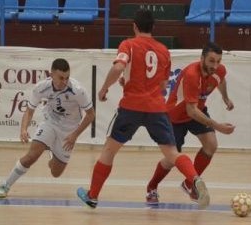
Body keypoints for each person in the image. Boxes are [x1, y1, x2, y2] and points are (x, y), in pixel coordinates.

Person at [76, 9, 210, 210]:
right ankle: (194, 179)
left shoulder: (128, 44)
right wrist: (133, 83)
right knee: (172, 153)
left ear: (134, 26)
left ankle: (93, 195)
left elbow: (119, 67)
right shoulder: (164, 51)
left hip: (131, 107)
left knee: (109, 151)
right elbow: (163, 85)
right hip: (156, 108)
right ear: (153, 28)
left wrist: (105, 88)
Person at [146, 42, 235, 204]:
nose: (215, 66)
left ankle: (189, 184)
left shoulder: (218, 70)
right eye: (211, 61)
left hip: (197, 110)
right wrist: (219, 127)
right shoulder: (192, 74)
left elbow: (220, 80)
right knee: (172, 159)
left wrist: (226, 98)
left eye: (218, 61)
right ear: (202, 58)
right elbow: (191, 111)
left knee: (211, 144)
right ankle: (152, 187)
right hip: (175, 116)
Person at [0, 58, 95, 198]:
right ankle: (5, 185)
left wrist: (75, 135)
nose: (64, 81)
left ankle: (53, 152)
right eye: (61, 77)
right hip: (50, 123)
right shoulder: (41, 87)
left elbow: (91, 115)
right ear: (51, 74)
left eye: (67, 77)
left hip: (69, 131)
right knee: (32, 156)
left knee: (56, 173)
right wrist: (23, 129)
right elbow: (29, 110)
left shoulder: (78, 90)